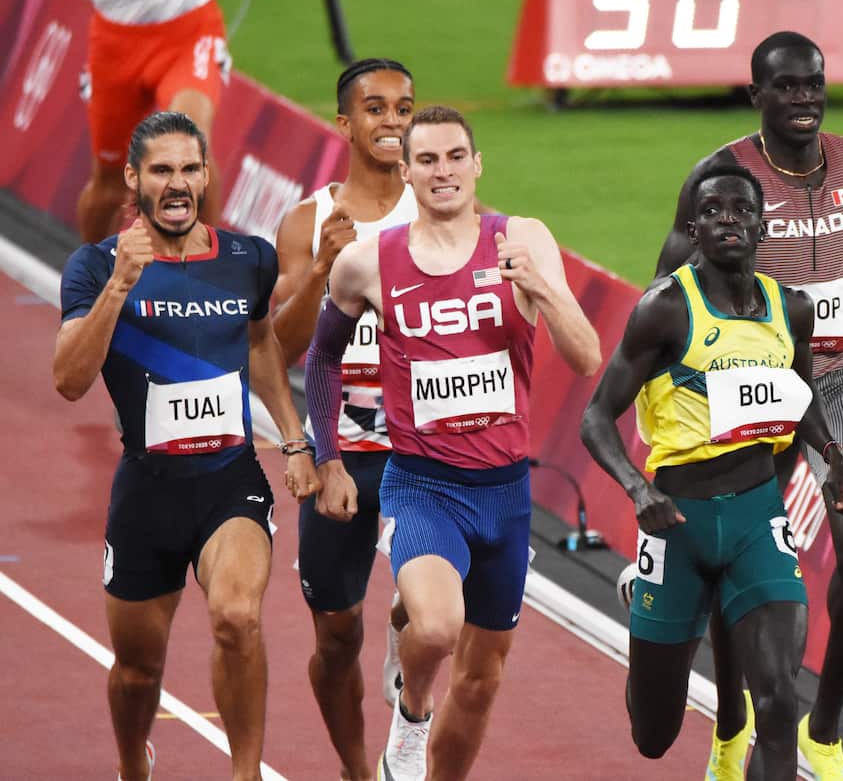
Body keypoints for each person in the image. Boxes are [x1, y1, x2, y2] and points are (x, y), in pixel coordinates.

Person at [655, 31, 843, 780]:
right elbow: (665, 281)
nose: (804, 98)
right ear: (757, 95)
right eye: (785, 86)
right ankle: (731, 723)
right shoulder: (719, 177)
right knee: (733, 561)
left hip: (840, 376)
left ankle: (825, 730)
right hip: (748, 383)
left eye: (814, 83)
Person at [305, 105, 601, 781]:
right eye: (428, 160)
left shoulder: (522, 239)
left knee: (482, 679)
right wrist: (327, 457)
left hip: (506, 494)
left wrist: (540, 288)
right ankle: (412, 712)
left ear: (477, 164)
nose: (444, 172)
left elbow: (586, 357)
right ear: (406, 172)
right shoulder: (366, 263)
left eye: (456, 157)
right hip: (424, 486)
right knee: (439, 628)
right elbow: (321, 359)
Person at [53, 110, 319, 781]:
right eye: (162, 170)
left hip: (231, 479)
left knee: (237, 617)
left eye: (190, 169)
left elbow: (260, 343)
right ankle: (132, 764)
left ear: (206, 176)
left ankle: (245, 773)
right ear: (133, 178)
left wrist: (293, 440)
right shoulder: (95, 266)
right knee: (137, 670)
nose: (177, 183)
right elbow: (69, 380)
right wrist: (120, 285)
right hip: (148, 490)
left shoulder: (247, 259)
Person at [580, 164, 843, 781]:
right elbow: (596, 417)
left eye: (741, 210)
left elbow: (799, 393)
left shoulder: (792, 309)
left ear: (763, 226)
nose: (727, 219)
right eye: (712, 211)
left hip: (758, 517)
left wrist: (831, 455)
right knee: (653, 735)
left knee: (779, 701)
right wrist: (637, 488)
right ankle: (644, 600)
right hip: (676, 523)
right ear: (694, 229)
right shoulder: (665, 310)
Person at [271, 58, 418, 781]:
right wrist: (318, 269)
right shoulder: (308, 221)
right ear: (345, 123)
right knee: (334, 636)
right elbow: (278, 346)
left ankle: (406, 635)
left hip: (422, 448)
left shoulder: (440, 208)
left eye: (404, 108)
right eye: (376, 108)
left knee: (431, 605)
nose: (392, 121)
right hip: (341, 449)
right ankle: (358, 771)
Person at [25, 0, 267, 244]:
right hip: (117, 42)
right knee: (110, 186)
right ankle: (90, 271)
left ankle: (207, 268)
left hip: (191, 30)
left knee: (192, 145)